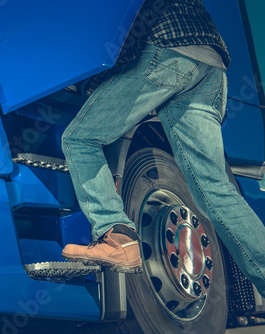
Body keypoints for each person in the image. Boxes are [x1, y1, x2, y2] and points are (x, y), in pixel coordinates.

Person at [60, 0, 265, 297]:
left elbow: (125, 22)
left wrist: (94, 84)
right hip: (210, 62)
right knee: (214, 189)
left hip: (165, 48)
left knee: (79, 139)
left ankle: (118, 236)